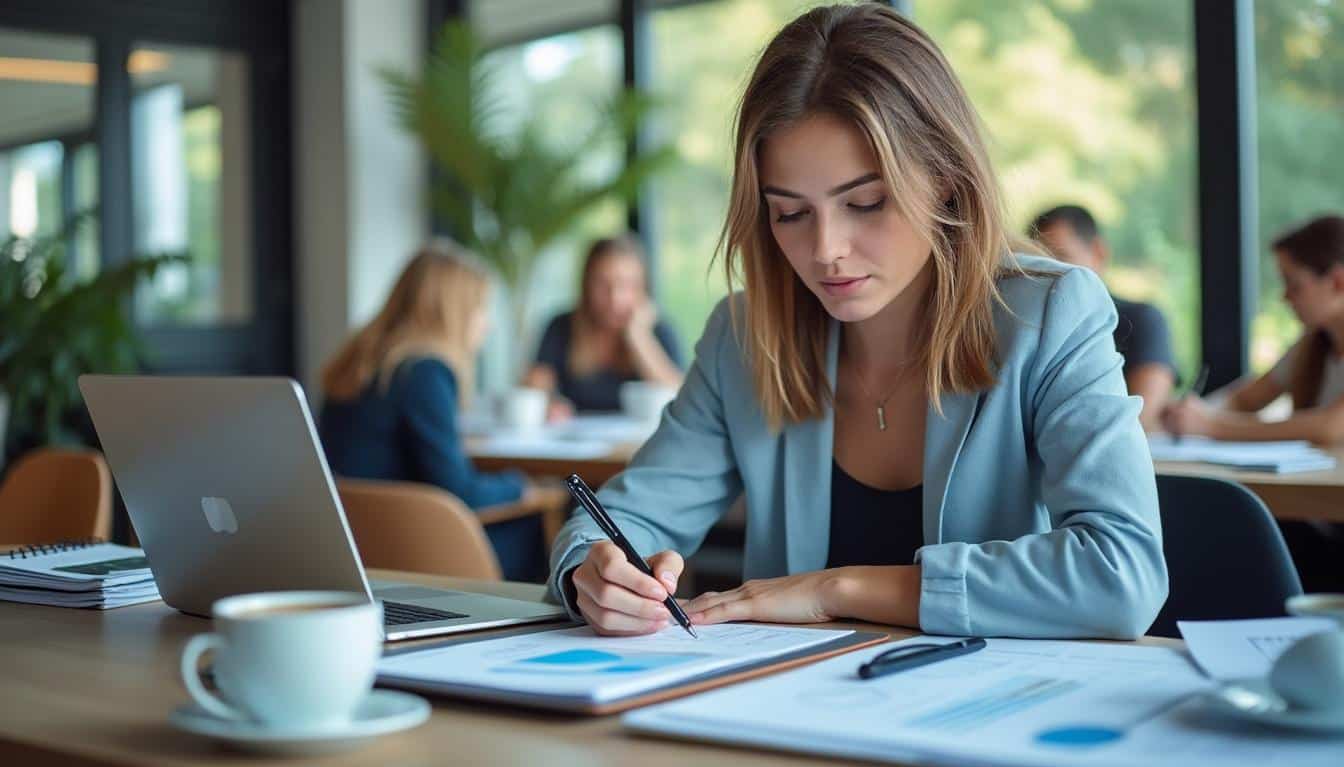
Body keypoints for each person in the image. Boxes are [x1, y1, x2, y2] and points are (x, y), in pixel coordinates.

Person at [547, 4, 1166, 640]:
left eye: (865, 203)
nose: (825, 251)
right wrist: (590, 577)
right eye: (790, 213)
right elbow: (616, 520)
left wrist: (835, 589)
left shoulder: (1051, 312)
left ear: (946, 181)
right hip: (789, 720)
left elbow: (1121, 573)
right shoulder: (744, 337)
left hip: (992, 715)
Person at [318, 242, 547, 582]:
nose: (488, 325)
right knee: (540, 524)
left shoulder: (358, 360)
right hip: (419, 552)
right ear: (451, 312)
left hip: (359, 546)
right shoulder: (425, 371)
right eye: (480, 309)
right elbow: (459, 490)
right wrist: (520, 486)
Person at [1164, 215, 1344, 444]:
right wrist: (1193, 413)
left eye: (1293, 284)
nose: (1285, 297)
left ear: (1338, 281)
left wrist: (1211, 426)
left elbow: (1330, 427)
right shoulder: (1314, 345)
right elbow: (1245, 401)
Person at [1030, 204, 1177, 432]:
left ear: (1099, 252)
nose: (1051, 274)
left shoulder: (1141, 320)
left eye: (1062, 258)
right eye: (1038, 263)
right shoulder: (1028, 330)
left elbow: (1140, 419)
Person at [523, 236, 683, 416]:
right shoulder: (561, 326)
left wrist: (639, 337)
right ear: (586, 284)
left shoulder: (659, 330)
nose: (615, 298)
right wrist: (550, 403)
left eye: (626, 284)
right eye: (602, 284)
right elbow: (535, 388)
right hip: (576, 438)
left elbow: (680, 398)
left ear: (643, 287)